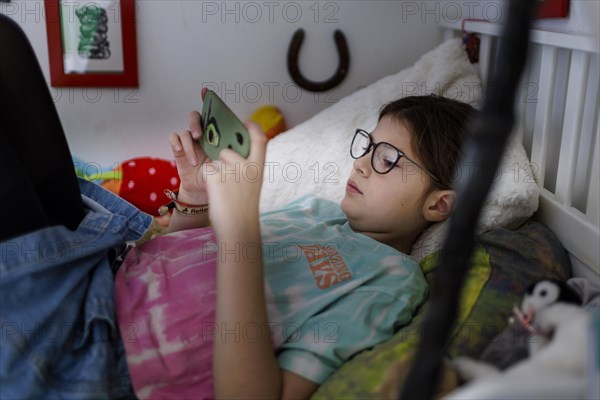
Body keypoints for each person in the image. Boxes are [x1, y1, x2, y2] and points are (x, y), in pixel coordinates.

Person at [0, 14, 476, 400]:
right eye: (367, 146)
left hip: (93, 345)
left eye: (388, 158)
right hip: (103, 258)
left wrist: (240, 229)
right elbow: (175, 253)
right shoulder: (316, 211)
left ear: (439, 204)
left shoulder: (393, 281)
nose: (364, 165)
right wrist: (194, 199)